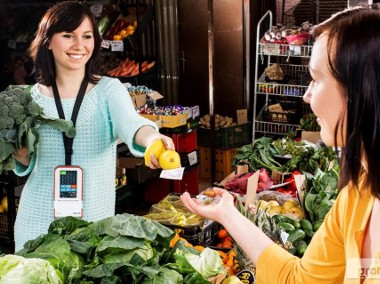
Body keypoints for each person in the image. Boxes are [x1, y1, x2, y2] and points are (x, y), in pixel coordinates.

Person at [181, 4, 380, 283]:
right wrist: (227, 214)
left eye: (316, 79)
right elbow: (301, 278)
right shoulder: (357, 195)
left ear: (362, 91)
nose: (307, 96)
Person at [12, 1, 174, 252]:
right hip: (36, 226)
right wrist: (20, 156)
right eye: (68, 35)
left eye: (86, 36)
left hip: (93, 227)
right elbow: (26, 162)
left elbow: (133, 124)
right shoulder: (28, 98)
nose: (79, 45)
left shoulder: (108, 91)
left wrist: (153, 139)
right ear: (47, 40)